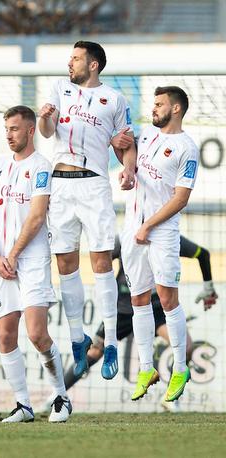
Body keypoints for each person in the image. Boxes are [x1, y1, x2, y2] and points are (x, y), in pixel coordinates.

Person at [38, 40, 137, 381]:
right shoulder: (59, 89)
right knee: (65, 263)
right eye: (70, 58)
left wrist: (129, 168)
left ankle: (109, 341)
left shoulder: (114, 99)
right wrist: (46, 121)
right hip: (61, 185)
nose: (70, 63)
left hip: (94, 184)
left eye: (76, 59)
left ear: (93, 65)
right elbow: (47, 132)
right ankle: (78, 339)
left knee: (101, 262)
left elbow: (126, 142)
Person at [0, 106, 71, 423]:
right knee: (5, 335)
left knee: (36, 334)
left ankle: (61, 396)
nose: (9, 134)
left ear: (31, 130)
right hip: (2, 263)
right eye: (6, 128)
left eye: (15, 129)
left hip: (31, 260)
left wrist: (14, 254)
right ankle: (23, 405)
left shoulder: (42, 167)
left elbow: (36, 217)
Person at [63, 235, 218, 393]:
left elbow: (202, 254)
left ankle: (171, 398)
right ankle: (58, 394)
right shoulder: (125, 238)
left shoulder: (167, 235)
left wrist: (208, 287)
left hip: (155, 308)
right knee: (95, 351)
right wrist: (103, 287)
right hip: (123, 309)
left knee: (186, 348)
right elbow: (101, 260)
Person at [121, 86, 198, 403]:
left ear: (176, 109)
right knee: (138, 298)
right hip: (131, 228)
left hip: (161, 232)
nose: (154, 109)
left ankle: (180, 368)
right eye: (153, 104)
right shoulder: (146, 136)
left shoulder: (186, 148)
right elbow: (128, 151)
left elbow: (181, 198)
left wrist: (149, 225)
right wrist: (127, 169)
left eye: (159, 105)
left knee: (166, 299)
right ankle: (146, 368)